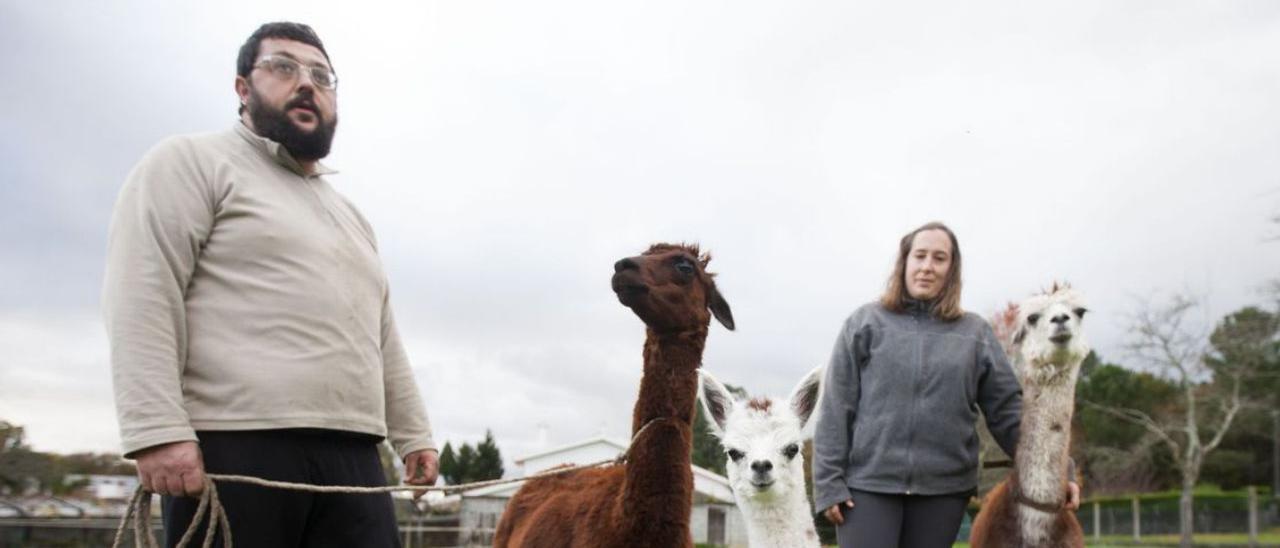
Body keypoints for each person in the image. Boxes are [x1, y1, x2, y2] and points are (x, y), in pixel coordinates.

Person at [103, 21, 438, 547]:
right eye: (283, 67)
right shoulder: (191, 163)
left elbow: (382, 334)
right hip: (236, 447)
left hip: (355, 456)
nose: (306, 84)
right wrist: (157, 431)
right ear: (243, 87)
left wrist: (413, 434)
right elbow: (143, 292)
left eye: (322, 77)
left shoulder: (351, 216)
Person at [811, 221, 1079, 547]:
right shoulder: (865, 324)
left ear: (952, 268)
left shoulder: (976, 334)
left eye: (939, 258)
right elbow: (836, 410)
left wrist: (1061, 470)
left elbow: (1010, 416)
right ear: (904, 263)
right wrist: (828, 484)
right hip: (867, 488)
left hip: (943, 493)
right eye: (919, 256)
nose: (927, 267)